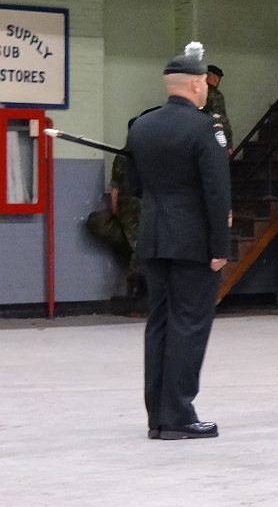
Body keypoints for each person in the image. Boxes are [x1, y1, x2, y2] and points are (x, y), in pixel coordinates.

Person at [126, 42, 232, 440]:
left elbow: (134, 184)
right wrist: (220, 248)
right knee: (189, 324)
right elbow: (217, 193)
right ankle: (179, 416)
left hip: (154, 238)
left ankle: (158, 416)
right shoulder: (206, 128)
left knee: (159, 324)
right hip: (193, 242)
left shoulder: (141, 125)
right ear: (197, 84)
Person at [86, 148, 142, 297]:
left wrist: (115, 208)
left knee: (135, 246)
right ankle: (136, 283)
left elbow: (115, 187)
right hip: (141, 214)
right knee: (137, 246)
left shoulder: (122, 155)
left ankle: (135, 284)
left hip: (129, 214)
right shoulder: (153, 153)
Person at [200, 64, 233, 154]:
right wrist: (228, 145)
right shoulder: (215, 95)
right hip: (209, 141)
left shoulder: (192, 91)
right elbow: (221, 120)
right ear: (215, 79)